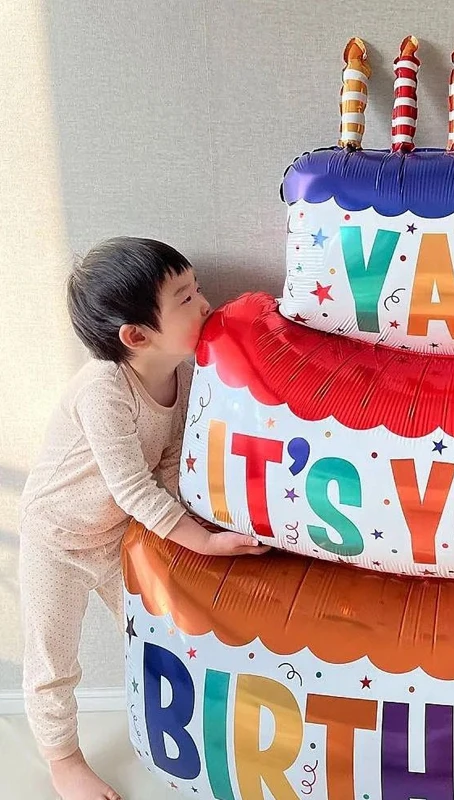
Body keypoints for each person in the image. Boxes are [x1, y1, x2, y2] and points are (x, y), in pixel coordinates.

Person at [18, 237, 270, 800]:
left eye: (197, 288)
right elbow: (132, 486)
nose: (204, 303)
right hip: (56, 538)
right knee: (52, 656)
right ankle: (63, 761)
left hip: (116, 537)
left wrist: (209, 526)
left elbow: (166, 468)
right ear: (136, 336)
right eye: (185, 297)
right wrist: (202, 542)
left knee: (149, 634)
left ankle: (165, 725)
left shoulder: (181, 377)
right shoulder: (105, 388)